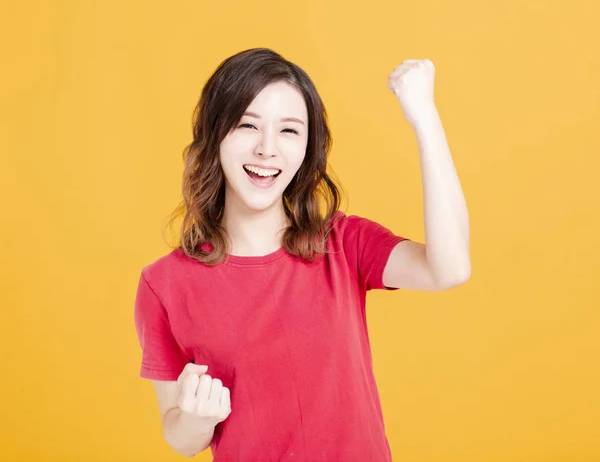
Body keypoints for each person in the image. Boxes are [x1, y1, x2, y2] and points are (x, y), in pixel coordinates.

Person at [133, 47, 471, 461]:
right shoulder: (164, 284)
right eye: (246, 125)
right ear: (215, 134)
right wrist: (197, 418)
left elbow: (449, 269)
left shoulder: (344, 243)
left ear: (307, 148)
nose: (267, 149)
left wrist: (425, 120)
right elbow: (181, 438)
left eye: (289, 131)